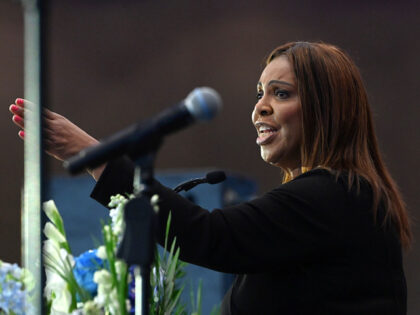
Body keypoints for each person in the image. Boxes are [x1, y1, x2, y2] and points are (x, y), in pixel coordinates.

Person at [9, 41, 411, 314]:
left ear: (328, 109)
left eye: (281, 93)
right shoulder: (336, 198)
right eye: (259, 94)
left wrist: (90, 153)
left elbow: (210, 236)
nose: (260, 109)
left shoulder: (336, 196)